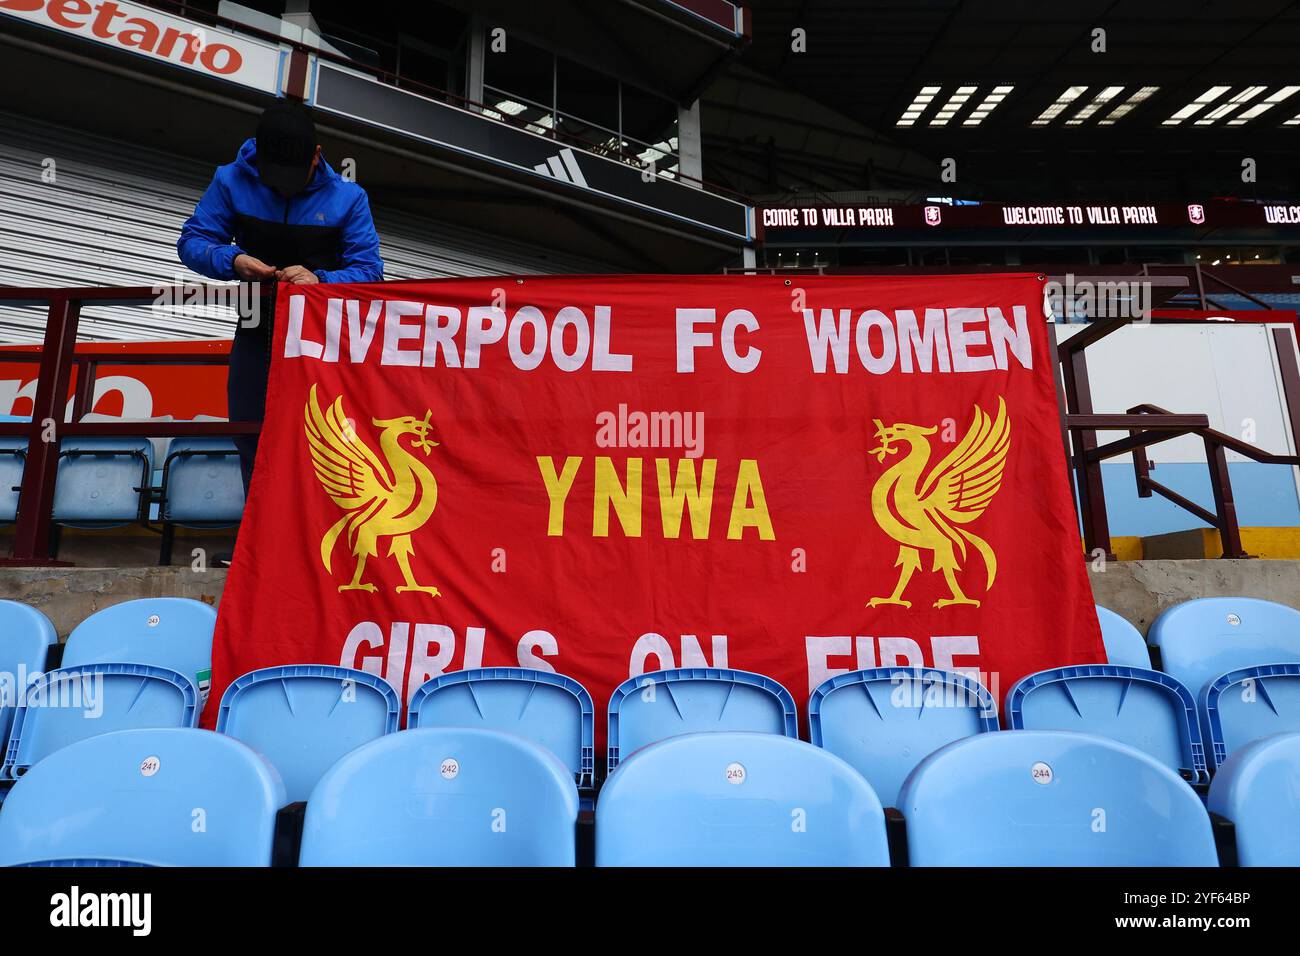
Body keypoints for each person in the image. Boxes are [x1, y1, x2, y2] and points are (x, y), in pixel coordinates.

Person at [177, 101, 384, 497]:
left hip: (324, 338)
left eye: (295, 176)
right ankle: (257, 547)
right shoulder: (230, 180)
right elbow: (192, 243)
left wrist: (319, 279)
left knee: (323, 435)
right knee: (249, 428)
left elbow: (370, 271)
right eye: (275, 178)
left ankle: (316, 547)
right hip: (256, 323)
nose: (285, 187)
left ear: (317, 156)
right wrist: (233, 259)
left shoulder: (350, 197)